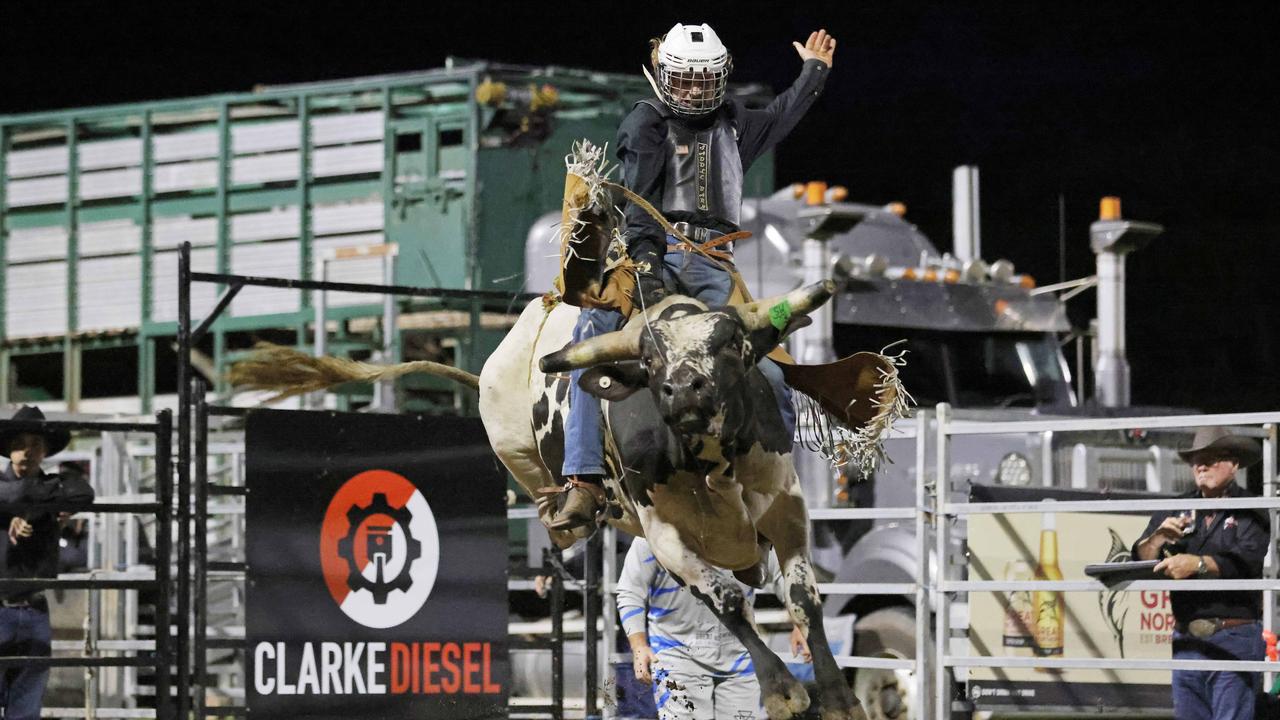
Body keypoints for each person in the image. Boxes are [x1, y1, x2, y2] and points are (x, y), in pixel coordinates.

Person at [553, 23, 838, 530]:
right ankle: (584, 478)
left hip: (715, 263)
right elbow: (640, 207)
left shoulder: (734, 123)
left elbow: (782, 115)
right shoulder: (646, 123)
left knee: (771, 365)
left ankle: (774, 485)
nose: (692, 92)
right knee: (592, 333)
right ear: (664, 75)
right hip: (656, 255)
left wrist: (814, 71)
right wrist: (646, 273)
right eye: (684, 81)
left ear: (719, 80)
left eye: (703, 83)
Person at [1131, 426, 1269, 720]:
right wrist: (1157, 538)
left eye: (1211, 458)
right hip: (1187, 640)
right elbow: (1141, 559)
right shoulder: (1177, 507)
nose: (1201, 465)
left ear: (1233, 465)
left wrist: (1197, 564)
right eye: (1196, 460)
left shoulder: (1253, 508)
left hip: (1234, 633)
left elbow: (1248, 558)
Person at [617, 537, 810, 720]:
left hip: (740, 656)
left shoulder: (750, 529)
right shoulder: (652, 531)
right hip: (676, 655)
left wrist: (801, 623)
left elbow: (783, 575)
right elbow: (630, 589)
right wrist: (638, 645)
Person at [0, 405, 88, 720]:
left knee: (26, 708)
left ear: (46, 450)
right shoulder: (47, 490)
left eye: (35, 443)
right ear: (9, 449)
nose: (27, 451)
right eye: (20, 443)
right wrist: (18, 510)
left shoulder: (54, 488)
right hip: (11, 606)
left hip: (34, 607)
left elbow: (82, 492)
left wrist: (28, 511)